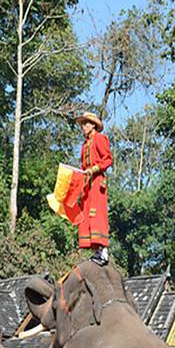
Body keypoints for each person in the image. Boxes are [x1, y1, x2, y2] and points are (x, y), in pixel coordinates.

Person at [75, 111, 112, 265]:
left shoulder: (100, 139)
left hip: (97, 182)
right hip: (87, 184)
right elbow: (84, 166)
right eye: (83, 124)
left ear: (93, 125)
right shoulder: (84, 145)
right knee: (86, 216)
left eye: (86, 123)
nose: (84, 126)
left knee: (97, 214)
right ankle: (95, 250)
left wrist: (94, 169)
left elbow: (108, 159)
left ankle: (103, 250)